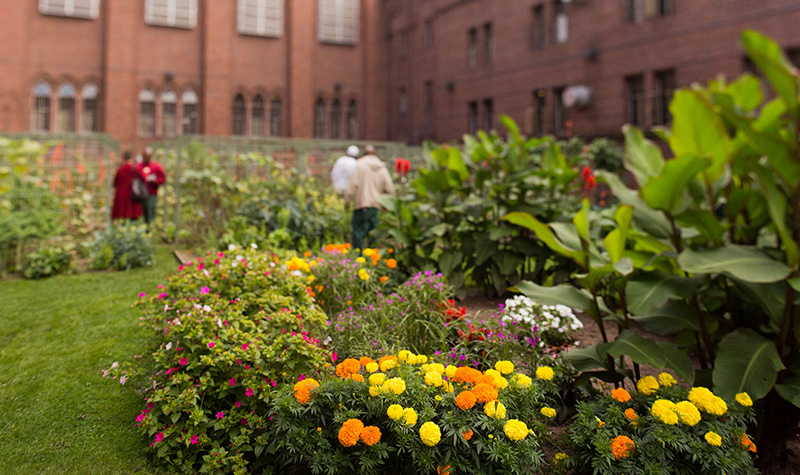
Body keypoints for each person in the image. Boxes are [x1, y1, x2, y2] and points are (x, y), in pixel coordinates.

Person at [344, 144, 395, 250]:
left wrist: (347, 202)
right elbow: (390, 187)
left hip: (361, 205)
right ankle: (373, 260)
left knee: (358, 234)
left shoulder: (360, 165)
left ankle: (358, 261)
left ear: (364, 153)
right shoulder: (381, 166)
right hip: (374, 206)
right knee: (374, 235)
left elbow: (351, 186)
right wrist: (388, 204)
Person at [136, 147, 166, 225]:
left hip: (151, 194)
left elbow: (162, 178)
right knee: (141, 213)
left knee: (150, 211)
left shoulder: (156, 166)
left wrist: (155, 181)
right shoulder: (139, 166)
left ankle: (150, 229)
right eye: (145, 156)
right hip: (140, 195)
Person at [111, 150, 143, 221]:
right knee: (133, 217)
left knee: (122, 217)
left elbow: (115, 183)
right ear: (131, 158)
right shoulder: (135, 168)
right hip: (133, 196)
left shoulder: (120, 169)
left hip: (121, 196)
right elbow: (143, 178)